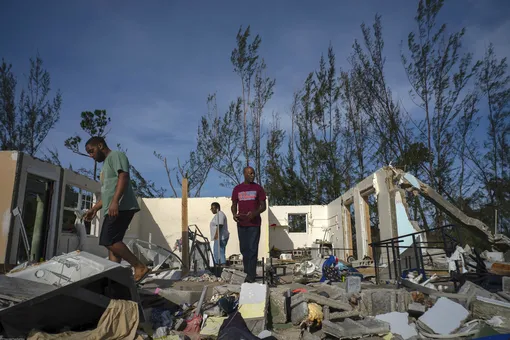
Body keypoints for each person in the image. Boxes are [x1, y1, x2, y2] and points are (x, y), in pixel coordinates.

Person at [83, 136, 150, 283]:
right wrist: (95, 208)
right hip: (113, 207)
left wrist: (115, 202)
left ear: (100, 145)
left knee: (108, 240)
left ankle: (139, 267)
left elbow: (124, 177)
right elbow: (108, 192)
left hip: (121, 207)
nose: (91, 155)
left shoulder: (116, 156)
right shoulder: (106, 165)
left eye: (91, 151)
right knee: (114, 245)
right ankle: (115, 278)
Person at [231, 166, 267, 283]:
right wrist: (234, 214)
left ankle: (251, 276)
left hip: (254, 224)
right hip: (242, 224)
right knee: (244, 249)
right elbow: (234, 204)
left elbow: (263, 206)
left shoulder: (258, 188)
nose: (252, 175)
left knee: (252, 249)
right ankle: (247, 272)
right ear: (244, 174)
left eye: (253, 173)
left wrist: (255, 213)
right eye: (250, 173)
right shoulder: (237, 189)